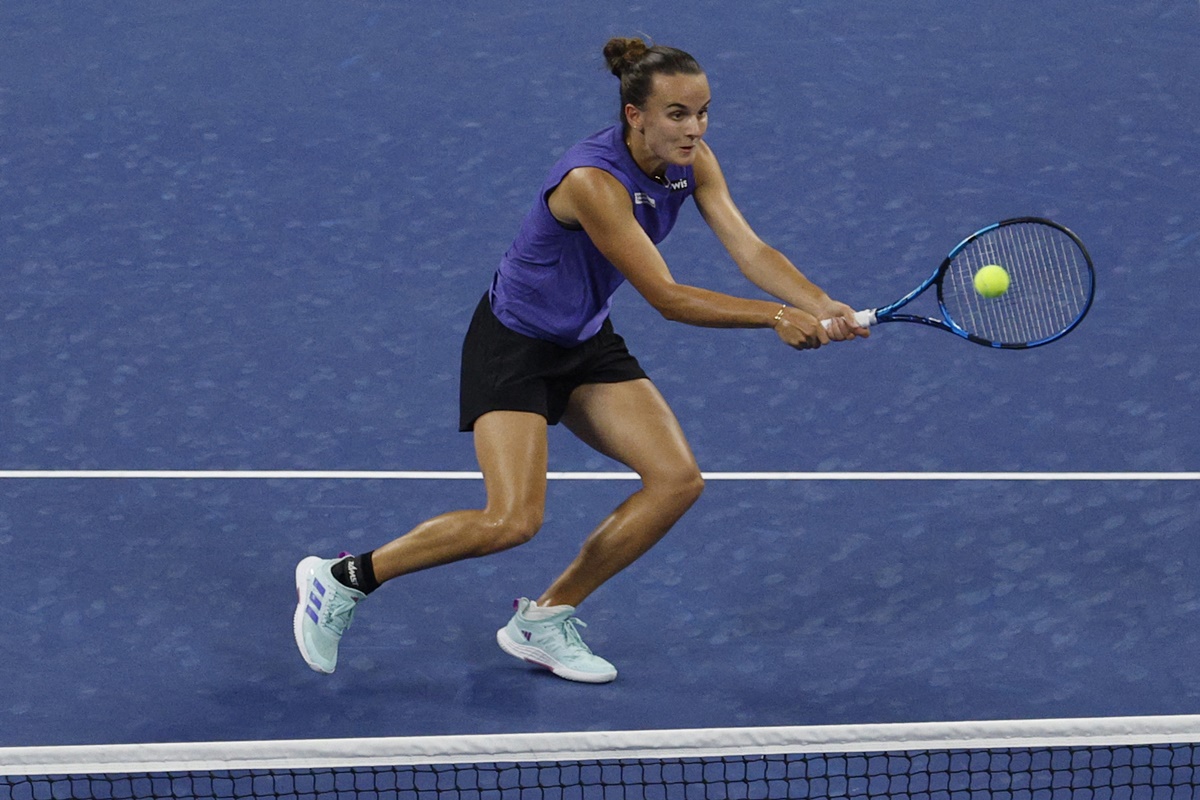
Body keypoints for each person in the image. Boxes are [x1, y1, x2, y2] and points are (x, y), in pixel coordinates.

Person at [293, 37, 868, 684]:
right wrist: (773, 316)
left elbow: (751, 248)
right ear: (635, 116)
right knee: (511, 521)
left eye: (703, 112)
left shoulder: (694, 161)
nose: (695, 128)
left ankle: (545, 617)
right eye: (678, 114)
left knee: (677, 482)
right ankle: (344, 578)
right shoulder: (591, 182)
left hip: (584, 340)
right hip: (514, 346)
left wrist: (821, 303)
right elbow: (668, 297)